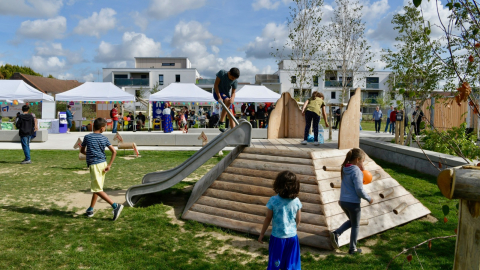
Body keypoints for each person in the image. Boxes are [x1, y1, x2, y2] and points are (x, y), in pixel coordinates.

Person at [329, 148, 373, 255]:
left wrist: (341, 199)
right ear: (358, 160)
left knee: (353, 222)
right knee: (356, 225)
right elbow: (359, 189)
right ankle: (352, 249)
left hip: (344, 202)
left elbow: (345, 185)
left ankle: (336, 233)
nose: (363, 164)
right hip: (353, 203)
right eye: (362, 161)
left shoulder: (345, 168)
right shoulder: (356, 171)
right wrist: (368, 198)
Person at [80, 118, 123, 221]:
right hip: (103, 165)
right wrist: (109, 165)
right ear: (102, 128)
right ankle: (90, 209)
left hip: (94, 165)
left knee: (97, 188)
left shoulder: (87, 137)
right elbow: (114, 152)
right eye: (105, 127)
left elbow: (82, 150)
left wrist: (89, 154)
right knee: (98, 187)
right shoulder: (104, 139)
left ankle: (115, 206)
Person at [258, 171, 302, 270]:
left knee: (275, 264)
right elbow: (298, 219)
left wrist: (262, 234)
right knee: (291, 265)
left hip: (277, 238)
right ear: (295, 186)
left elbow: (268, 218)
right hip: (292, 238)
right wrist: (293, 230)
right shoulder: (296, 201)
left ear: (278, 184)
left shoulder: (273, 200)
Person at [213, 67, 240, 132]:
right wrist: (219, 97)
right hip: (217, 93)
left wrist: (232, 98)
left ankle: (233, 131)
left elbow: (233, 92)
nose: (233, 80)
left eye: (234, 79)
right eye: (232, 78)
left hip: (226, 96)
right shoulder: (222, 73)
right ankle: (221, 121)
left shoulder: (235, 81)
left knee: (231, 113)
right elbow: (216, 85)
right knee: (228, 101)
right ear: (229, 73)